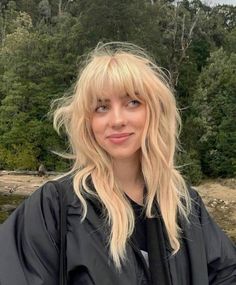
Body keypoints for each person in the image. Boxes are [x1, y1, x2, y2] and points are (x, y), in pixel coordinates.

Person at [0, 42, 235, 285]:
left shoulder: (185, 205)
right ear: (88, 121)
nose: (117, 120)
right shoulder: (54, 207)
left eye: (132, 102)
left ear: (154, 111)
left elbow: (227, 273)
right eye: (101, 107)